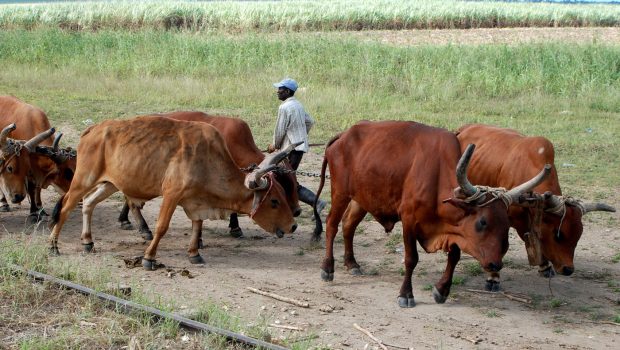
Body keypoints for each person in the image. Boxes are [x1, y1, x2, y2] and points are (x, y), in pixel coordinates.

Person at [268, 78, 326, 217]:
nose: (277, 92)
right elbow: (310, 121)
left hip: (291, 150)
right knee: (287, 179)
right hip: (297, 149)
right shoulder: (298, 105)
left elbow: (280, 130)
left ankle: (316, 202)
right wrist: (301, 137)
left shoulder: (284, 107)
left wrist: (274, 145)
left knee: (287, 180)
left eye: (280, 89)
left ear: (287, 91)